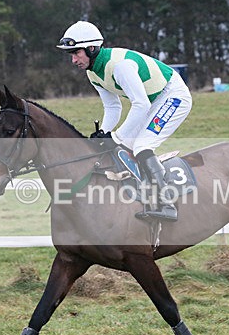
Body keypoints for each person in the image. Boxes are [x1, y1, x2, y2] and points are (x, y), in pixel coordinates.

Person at [57, 20, 193, 222]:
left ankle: (167, 204)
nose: (74, 60)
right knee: (123, 146)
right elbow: (113, 107)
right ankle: (142, 194)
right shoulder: (92, 72)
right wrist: (103, 133)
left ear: (92, 48)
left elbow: (141, 105)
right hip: (152, 101)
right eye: (71, 54)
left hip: (172, 95)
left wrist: (116, 136)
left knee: (142, 145)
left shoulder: (120, 66)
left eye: (76, 53)